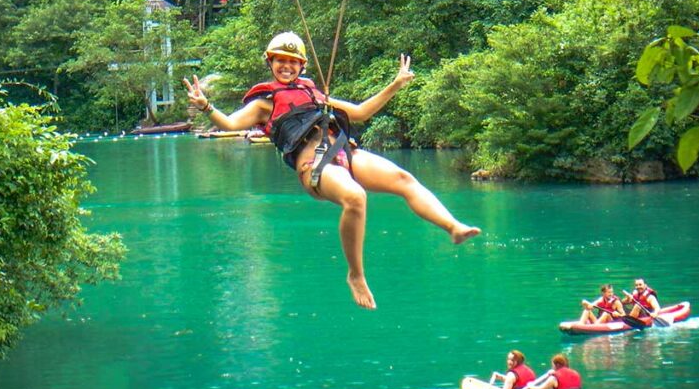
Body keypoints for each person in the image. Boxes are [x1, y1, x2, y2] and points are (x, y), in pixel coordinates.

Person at [183, 31, 480, 310]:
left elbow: (361, 112)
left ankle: (452, 227)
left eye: (292, 62)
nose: (286, 67)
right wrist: (206, 106)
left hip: (344, 153)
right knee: (355, 197)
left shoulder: (314, 94)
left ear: (301, 66)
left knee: (404, 179)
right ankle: (356, 275)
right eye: (280, 61)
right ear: (270, 63)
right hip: (314, 166)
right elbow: (230, 124)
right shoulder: (266, 103)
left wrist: (397, 84)